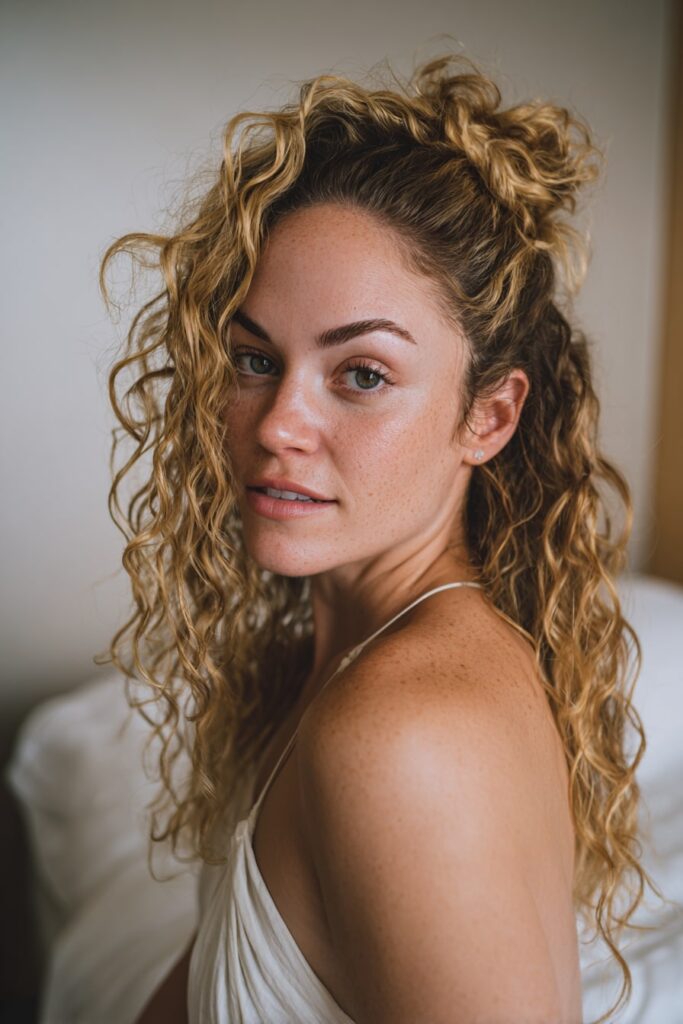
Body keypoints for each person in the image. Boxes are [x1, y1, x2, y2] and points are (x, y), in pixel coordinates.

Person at [98, 52, 658, 1024]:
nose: (276, 424)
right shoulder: (333, 662)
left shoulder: (399, 732)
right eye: (252, 357)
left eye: (359, 373)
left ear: (486, 417)